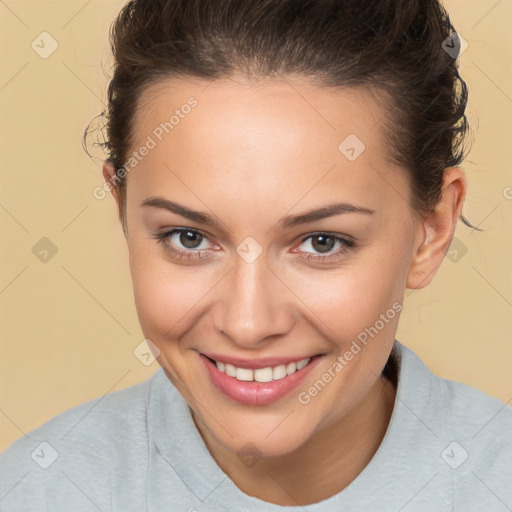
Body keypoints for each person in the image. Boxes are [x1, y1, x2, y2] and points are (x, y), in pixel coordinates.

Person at [1, 0, 511, 510]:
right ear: (123, 211)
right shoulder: (35, 491)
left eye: (322, 242)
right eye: (189, 238)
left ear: (432, 229)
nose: (248, 325)